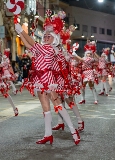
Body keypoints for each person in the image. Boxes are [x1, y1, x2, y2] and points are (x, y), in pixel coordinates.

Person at [15, 16, 80, 145]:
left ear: (54, 39)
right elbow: (29, 45)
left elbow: (33, 43)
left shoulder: (49, 48)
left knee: (58, 106)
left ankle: (73, 131)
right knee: (45, 108)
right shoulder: (42, 48)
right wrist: (19, 33)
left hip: (48, 79)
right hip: (39, 79)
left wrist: (21, 31)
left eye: (48, 36)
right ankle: (48, 134)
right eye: (44, 36)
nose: (45, 38)